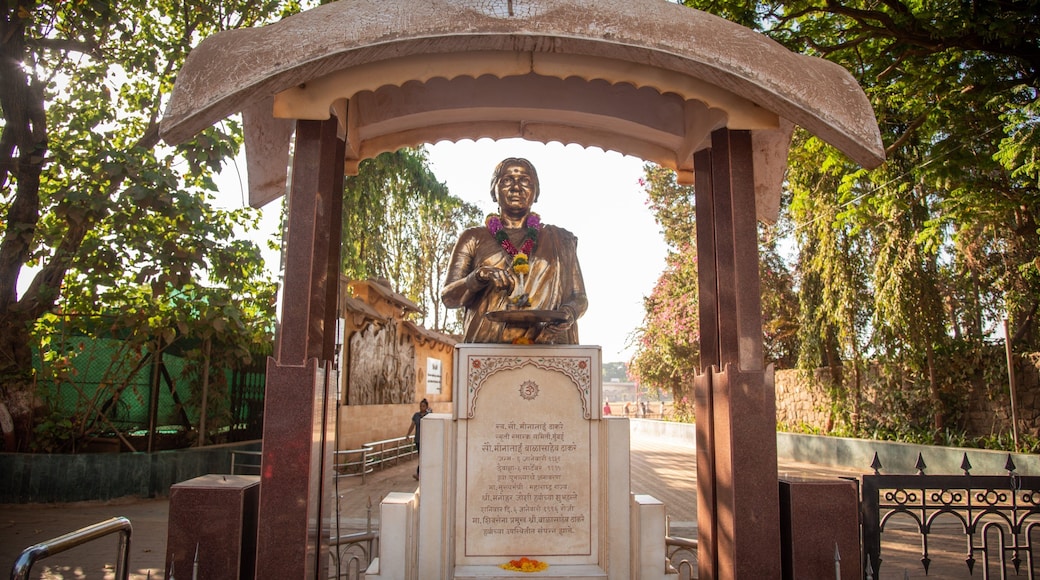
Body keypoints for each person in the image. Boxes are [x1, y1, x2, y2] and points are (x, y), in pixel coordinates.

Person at [442, 158, 588, 344]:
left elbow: (579, 297)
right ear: (494, 191)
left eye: (525, 180)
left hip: (548, 346)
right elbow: (449, 298)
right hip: (486, 350)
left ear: (536, 192)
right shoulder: (473, 238)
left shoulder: (560, 239)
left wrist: (568, 313)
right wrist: (477, 277)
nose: (516, 188)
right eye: (507, 180)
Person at [406, 398, 430, 480]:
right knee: (421, 456)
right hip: (418, 440)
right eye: (420, 406)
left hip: (427, 440)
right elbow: (412, 425)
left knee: (424, 456)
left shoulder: (429, 416)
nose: (421, 407)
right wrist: (408, 434)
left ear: (426, 407)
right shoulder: (416, 415)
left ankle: (421, 473)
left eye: (423, 406)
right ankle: (419, 473)